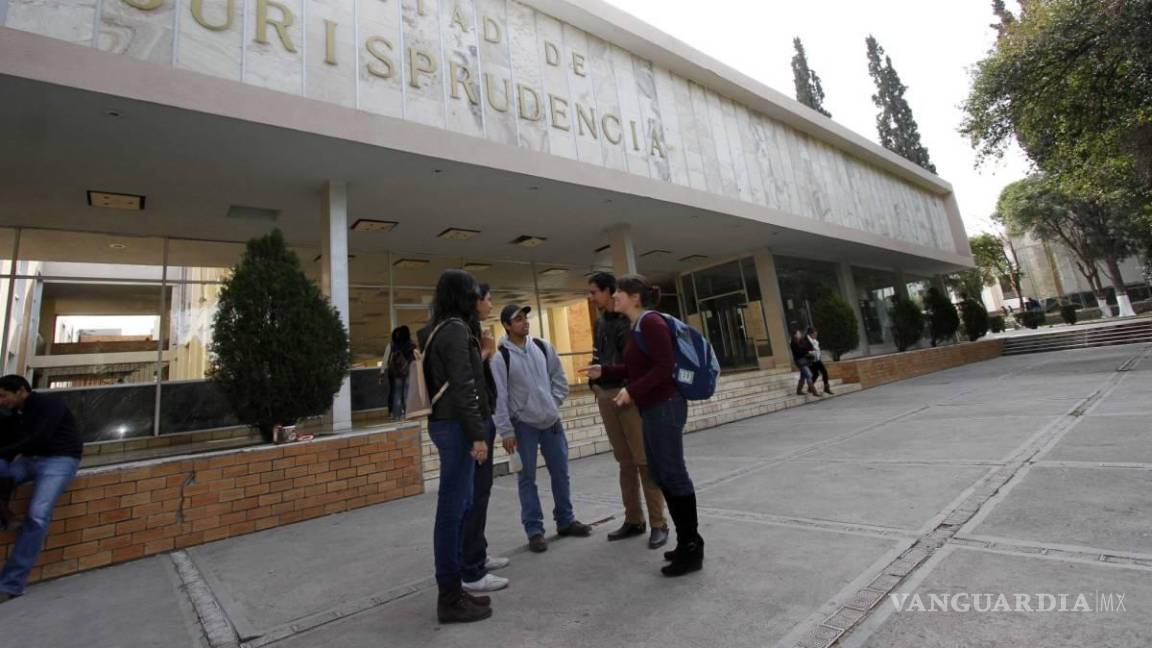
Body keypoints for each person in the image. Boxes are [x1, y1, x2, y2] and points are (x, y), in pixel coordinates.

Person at [581, 275, 704, 578]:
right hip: (652, 409)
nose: (616, 297)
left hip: (665, 406)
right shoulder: (638, 326)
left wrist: (632, 390)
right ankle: (686, 542)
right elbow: (637, 367)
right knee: (662, 473)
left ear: (635, 297)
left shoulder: (651, 322)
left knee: (673, 475)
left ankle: (691, 547)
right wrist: (605, 370)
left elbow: (665, 367)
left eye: (620, 292)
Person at [417, 269, 492, 624]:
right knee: (452, 511)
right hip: (457, 427)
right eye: (473, 291)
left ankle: (455, 589)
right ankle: (449, 596)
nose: (478, 297)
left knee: (459, 506)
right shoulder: (456, 331)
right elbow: (465, 388)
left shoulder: (441, 328)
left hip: (448, 425)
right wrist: (478, 435)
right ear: (462, 295)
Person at [493, 303, 592, 554]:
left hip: (551, 423)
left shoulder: (542, 347)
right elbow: (499, 398)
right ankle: (534, 531)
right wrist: (506, 430)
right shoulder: (500, 357)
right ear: (506, 325)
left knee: (561, 473)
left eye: (525, 317)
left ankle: (566, 520)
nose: (524, 322)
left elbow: (559, 379)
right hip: (523, 426)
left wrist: (551, 403)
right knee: (527, 479)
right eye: (517, 319)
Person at [587, 272, 668, 549]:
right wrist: (595, 384)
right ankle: (634, 519)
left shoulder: (633, 321)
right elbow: (598, 354)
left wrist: (631, 390)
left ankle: (659, 523)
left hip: (630, 395)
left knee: (643, 460)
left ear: (611, 292)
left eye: (595, 291)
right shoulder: (600, 322)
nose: (591, 297)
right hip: (607, 394)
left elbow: (646, 364)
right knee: (624, 462)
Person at [0, 375, 84, 603]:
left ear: (20, 391)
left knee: (37, 516)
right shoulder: (14, 414)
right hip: (29, 459)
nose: (1, 401)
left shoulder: (49, 405)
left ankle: (11, 584)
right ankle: (6, 517)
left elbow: (40, 437)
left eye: (4, 396)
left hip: (59, 460)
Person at [459, 284, 511, 594]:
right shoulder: (460, 330)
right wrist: (485, 353)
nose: (491, 304)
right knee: (473, 495)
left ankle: (477, 555)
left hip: (485, 417)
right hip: (473, 424)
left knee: (483, 491)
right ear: (474, 300)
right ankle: (470, 570)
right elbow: (463, 380)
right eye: (488, 299)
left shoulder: (472, 328)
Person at [383, 326, 417, 421]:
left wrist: (382, 372)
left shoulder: (394, 345)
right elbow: (414, 359)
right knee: (406, 393)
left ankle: (396, 415)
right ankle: (407, 414)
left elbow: (388, 359)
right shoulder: (411, 345)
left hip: (397, 372)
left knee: (397, 393)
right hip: (408, 371)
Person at [791, 329, 819, 397]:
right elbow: (799, 351)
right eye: (798, 333)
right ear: (795, 335)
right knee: (809, 375)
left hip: (805, 360)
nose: (800, 334)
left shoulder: (802, 340)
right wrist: (805, 350)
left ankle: (799, 390)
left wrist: (806, 349)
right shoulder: (793, 343)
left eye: (800, 333)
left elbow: (809, 347)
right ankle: (814, 392)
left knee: (803, 376)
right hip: (800, 361)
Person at [806, 327, 832, 395]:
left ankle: (826, 387)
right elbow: (805, 350)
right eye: (814, 334)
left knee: (824, 372)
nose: (816, 336)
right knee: (815, 374)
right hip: (811, 360)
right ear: (810, 334)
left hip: (817, 359)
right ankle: (810, 388)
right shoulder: (806, 341)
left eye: (816, 334)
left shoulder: (815, 341)